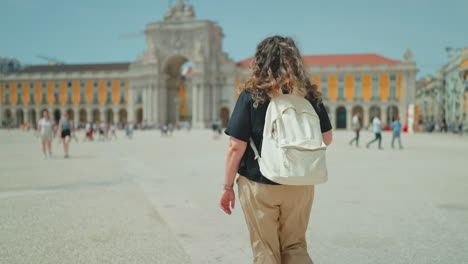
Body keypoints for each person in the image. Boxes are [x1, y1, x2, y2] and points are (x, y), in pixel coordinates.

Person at [220, 36, 333, 264]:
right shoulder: (309, 96)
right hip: (300, 183)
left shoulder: (252, 95)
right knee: (295, 245)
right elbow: (326, 139)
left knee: (265, 249)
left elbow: (235, 147)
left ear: (260, 62)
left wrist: (227, 186)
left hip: (260, 183)